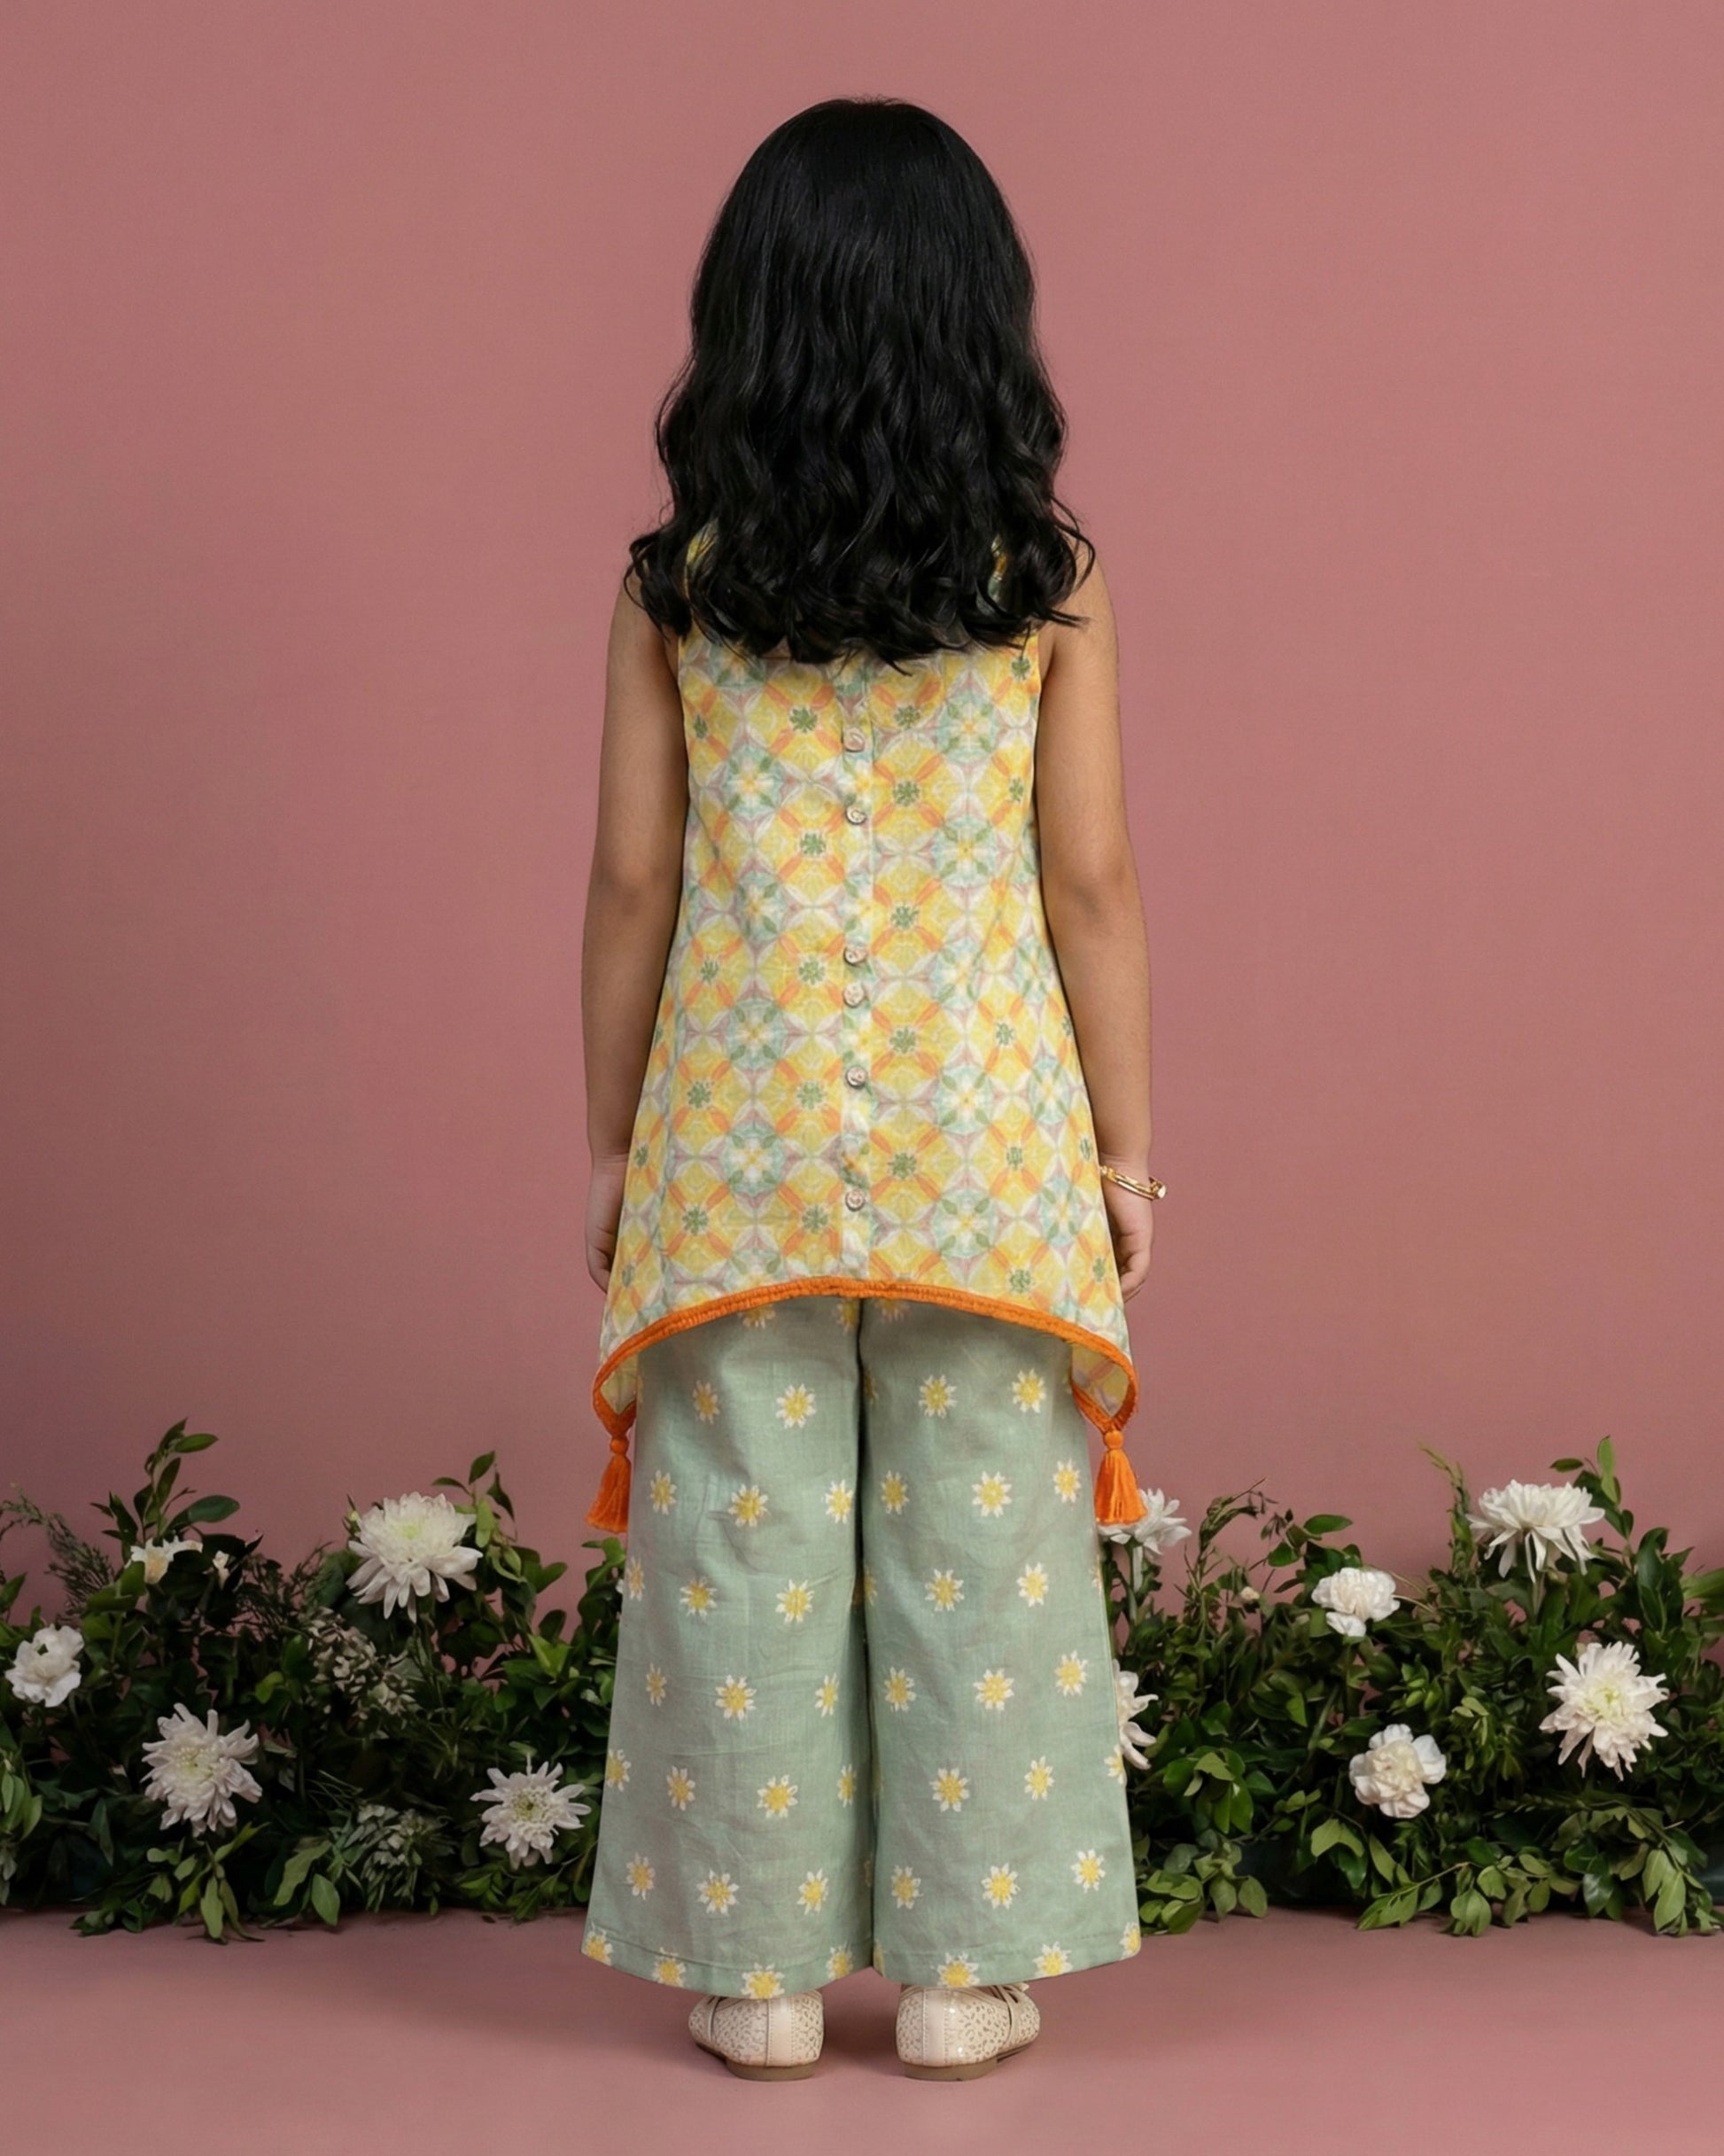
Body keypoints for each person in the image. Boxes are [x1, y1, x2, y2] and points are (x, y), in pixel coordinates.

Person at [578, 94, 1161, 2082]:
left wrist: (613, 1143)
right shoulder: (1043, 578)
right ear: (978, 319)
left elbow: (634, 883)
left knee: (735, 1530)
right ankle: (959, 1976)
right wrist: (1126, 1155)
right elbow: (1090, 882)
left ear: (745, 321)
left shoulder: (678, 585)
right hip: (984, 1140)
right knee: (980, 1544)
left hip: (731, 1137)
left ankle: (751, 1976)